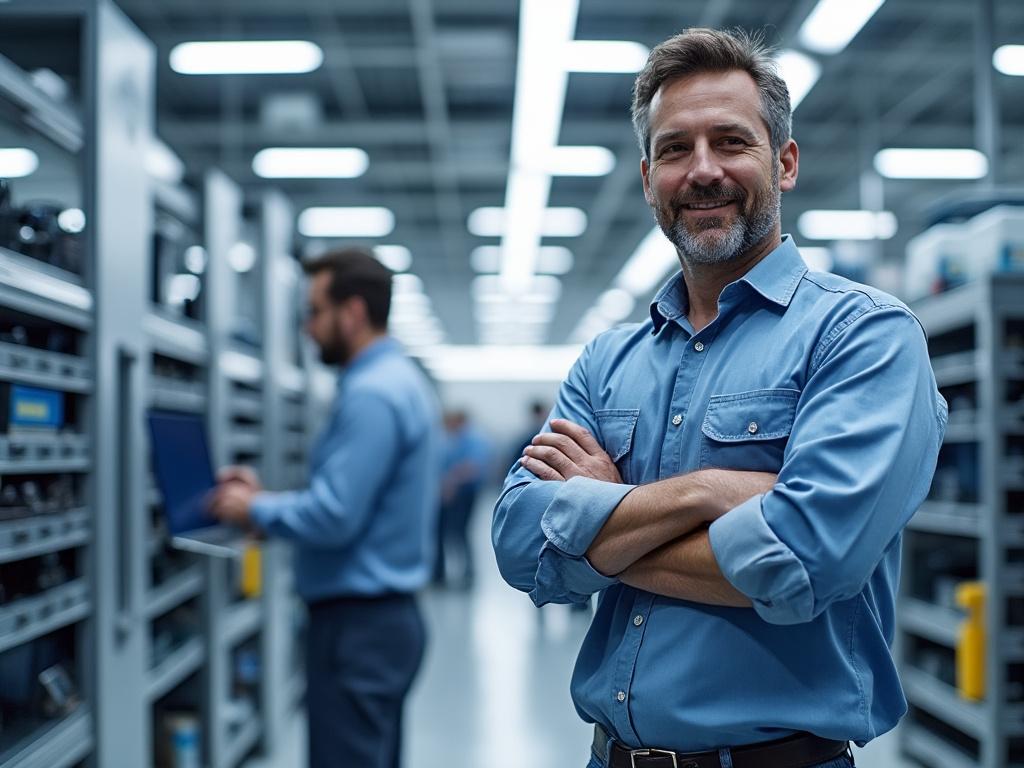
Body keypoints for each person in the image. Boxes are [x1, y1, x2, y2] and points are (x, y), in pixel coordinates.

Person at [492, 27, 947, 768]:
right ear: (647, 179)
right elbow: (519, 543)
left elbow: (803, 564)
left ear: (785, 161)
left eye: (731, 142)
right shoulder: (610, 359)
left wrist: (601, 520)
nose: (703, 170)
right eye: (675, 149)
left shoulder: (864, 338)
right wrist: (711, 492)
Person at [210, 247, 441, 768]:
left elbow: (335, 515)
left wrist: (256, 510)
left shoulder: (372, 393)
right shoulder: (399, 381)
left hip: (359, 629)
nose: (308, 329)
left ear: (352, 312)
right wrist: (263, 502)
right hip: (382, 621)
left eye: (314, 313)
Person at [433, 410, 492, 589]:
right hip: (455, 492)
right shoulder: (456, 439)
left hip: (465, 493)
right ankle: (444, 574)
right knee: (451, 533)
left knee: (461, 532)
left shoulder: (473, 439)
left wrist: (451, 481)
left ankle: (468, 575)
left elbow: (473, 467)